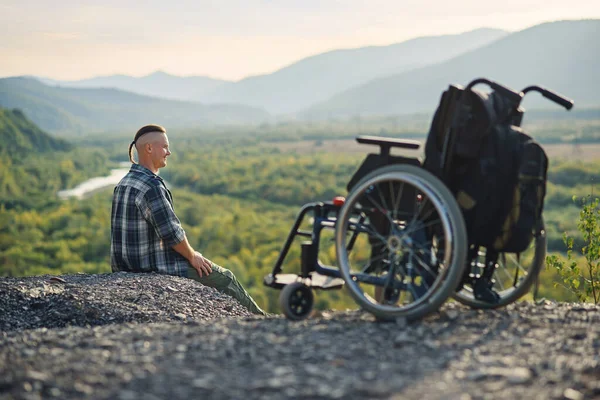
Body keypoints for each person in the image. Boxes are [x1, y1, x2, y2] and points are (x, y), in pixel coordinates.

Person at [110, 124, 266, 315]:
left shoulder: (124, 183)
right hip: (152, 266)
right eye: (165, 147)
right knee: (226, 278)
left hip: (125, 267)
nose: (169, 152)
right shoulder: (151, 186)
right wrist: (193, 256)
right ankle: (264, 321)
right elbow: (171, 234)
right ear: (149, 148)